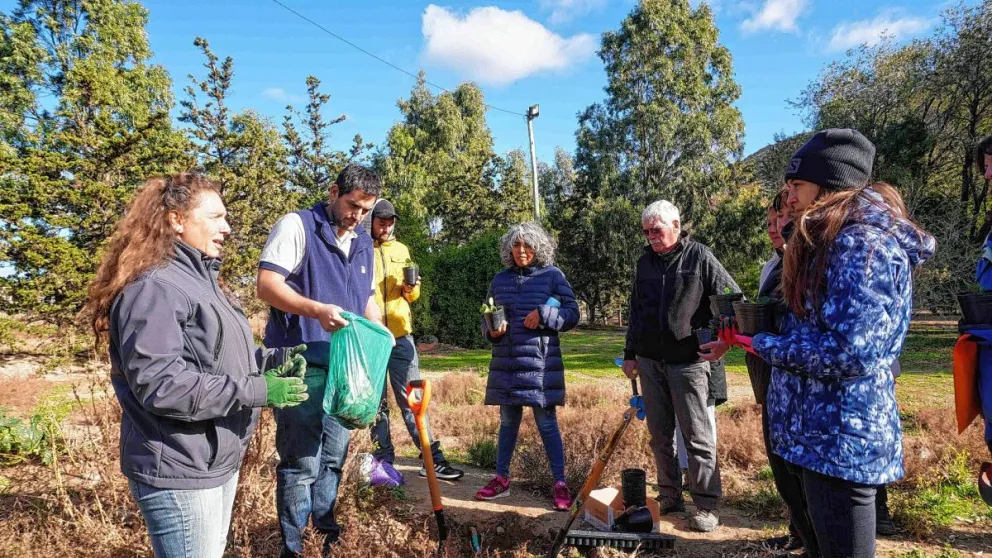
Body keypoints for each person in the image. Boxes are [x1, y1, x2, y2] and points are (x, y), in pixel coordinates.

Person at [715, 129, 935, 557]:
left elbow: (853, 351)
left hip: (841, 440)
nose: (789, 196)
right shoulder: (828, 241)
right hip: (811, 437)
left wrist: (767, 345)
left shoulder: (862, 244)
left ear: (829, 185)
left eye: (796, 185)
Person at [83, 174, 309, 558]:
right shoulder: (155, 287)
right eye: (216, 217)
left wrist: (276, 360)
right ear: (176, 220)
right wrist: (259, 391)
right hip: (178, 466)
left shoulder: (206, 283)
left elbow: (218, 359)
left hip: (212, 460)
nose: (228, 227)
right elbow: (161, 385)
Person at [256, 164, 385, 558]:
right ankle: (294, 549)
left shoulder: (364, 243)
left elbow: (366, 299)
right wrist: (316, 310)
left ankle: (325, 542)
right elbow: (266, 285)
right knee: (301, 463)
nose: (358, 216)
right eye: (352, 206)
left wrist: (379, 334)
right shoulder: (297, 226)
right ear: (333, 192)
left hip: (344, 369)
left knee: (332, 460)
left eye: (366, 210)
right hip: (300, 364)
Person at [622, 200, 739, 533]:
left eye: (656, 231)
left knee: (697, 436)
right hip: (649, 360)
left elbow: (731, 295)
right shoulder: (644, 262)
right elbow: (635, 311)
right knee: (660, 435)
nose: (651, 238)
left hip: (689, 362)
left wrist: (721, 338)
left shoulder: (700, 256)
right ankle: (670, 495)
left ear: (675, 224)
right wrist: (630, 353)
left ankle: (706, 504)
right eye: (646, 232)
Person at [475, 222, 580, 511]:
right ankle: (501, 479)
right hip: (507, 363)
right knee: (507, 423)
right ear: (509, 248)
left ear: (539, 247)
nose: (522, 251)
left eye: (528, 245)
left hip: (540, 366)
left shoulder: (553, 276)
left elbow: (572, 313)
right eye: (517, 245)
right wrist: (491, 331)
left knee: (547, 423)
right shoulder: (500, 280)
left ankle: (560, 483)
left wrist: (544, 314)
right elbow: (488, 315)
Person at [367, 199, 463, 480]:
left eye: (390, 222)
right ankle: (382, 461)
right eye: (381, 222)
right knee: (375, 404)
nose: (385, 228)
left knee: (413, 399)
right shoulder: (359, 248)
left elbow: (410, 297)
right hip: (370, 338)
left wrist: (412, 289)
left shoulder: (401, 250)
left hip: (400, 336)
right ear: (371, 221)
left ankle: (432, 459)